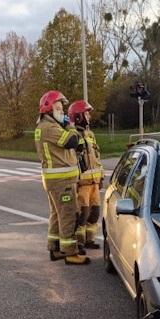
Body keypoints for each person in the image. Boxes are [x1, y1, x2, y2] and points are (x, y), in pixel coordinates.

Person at [34, 90, 88, 265]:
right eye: (58, 109)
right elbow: (71, 141)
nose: (63, 113)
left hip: (56, 181)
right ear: (48, 110)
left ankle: (55, 248)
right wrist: (70, 125)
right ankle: (70, 252)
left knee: (56, 215)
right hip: (61, 181)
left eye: (63, 109)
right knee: (68, 215)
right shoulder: (49, 128)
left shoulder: (45, 127)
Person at [69, 100, 103, 250]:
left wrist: (100, 176)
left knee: (95, 213)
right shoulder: (73, 136)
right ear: (78, 116)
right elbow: (71, 160)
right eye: (86, 113)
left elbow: (97, 156)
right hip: (82, 184)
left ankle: (89, 240)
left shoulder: (90, 134)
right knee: (83, 214)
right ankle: (79, 242)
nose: (89, 116)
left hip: (94, 183)